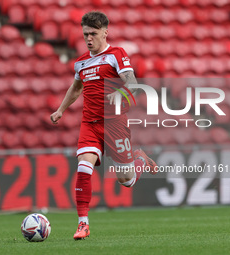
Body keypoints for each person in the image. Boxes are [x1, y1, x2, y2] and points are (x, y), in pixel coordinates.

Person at [50, 11, 157, 240]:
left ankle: (139, 160)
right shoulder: (81, 62)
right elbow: (76, 88)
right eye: (86, 34)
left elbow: (133, 84)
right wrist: (61, 109)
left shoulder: (116, 55)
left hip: (115, 123)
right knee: (83, 167)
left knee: (126, 180)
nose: (89, 39)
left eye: (94, 34)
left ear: (105, 32)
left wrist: (119, 94)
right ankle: (83, 224)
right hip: (90, 123)